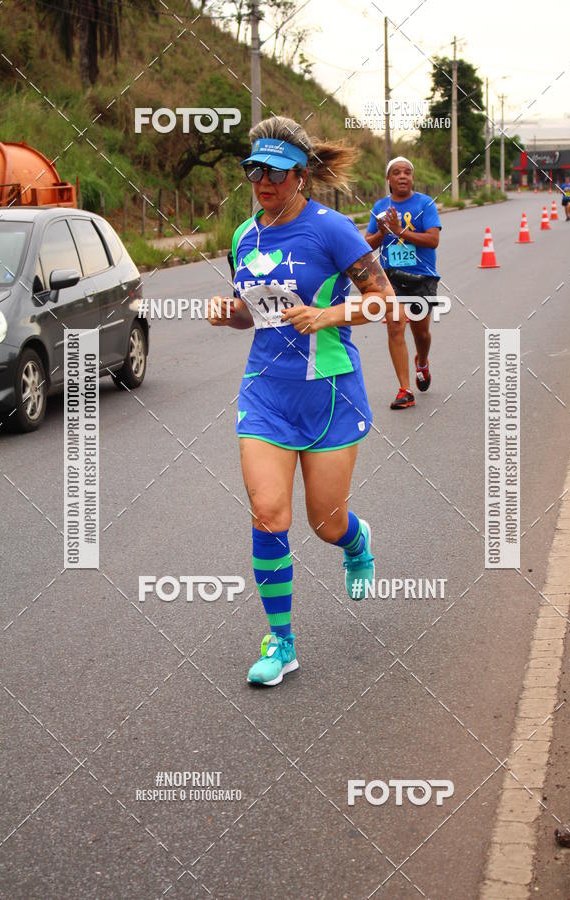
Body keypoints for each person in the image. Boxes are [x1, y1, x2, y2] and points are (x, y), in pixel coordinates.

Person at [209, 116, 391, 687]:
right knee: (269, 514)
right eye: (254, 170)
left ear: (302, 176)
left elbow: (382, 300)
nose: (263, 182)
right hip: (265, 394)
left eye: (276, 173)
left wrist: (328, 315)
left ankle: (355, 541)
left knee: (324, 522)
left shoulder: (333, 230)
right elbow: (250, 314)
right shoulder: (243, 235)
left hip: (329, 394)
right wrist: (228, 312)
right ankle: (281, 642)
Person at [365, 157, 442, 409]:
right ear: (388, 179)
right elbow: (366, 245)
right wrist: (382, 232)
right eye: (396, 172)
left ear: (412, 178)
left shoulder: (425, 203)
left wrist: (399, 231)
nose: (402, 176)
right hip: (391, 277)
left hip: (422, 277)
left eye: (407, 172)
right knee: (395, 326)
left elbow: (432, 240)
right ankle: (405, 389)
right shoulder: (380, 207)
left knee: (420, 332)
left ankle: (422, 360)